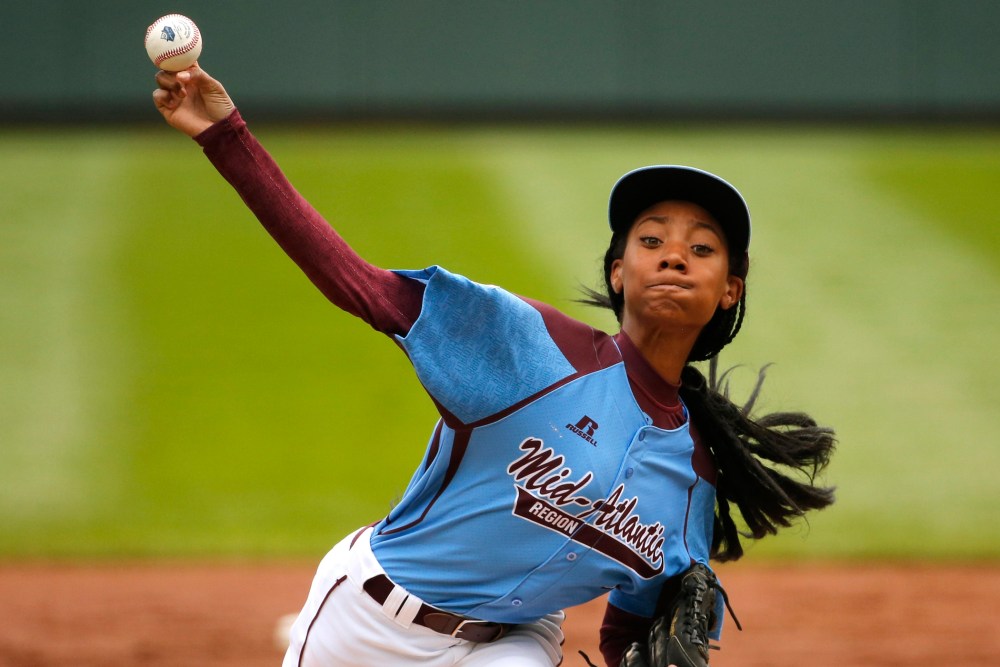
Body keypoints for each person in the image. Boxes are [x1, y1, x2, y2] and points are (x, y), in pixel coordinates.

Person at [152, 65, 835, 667]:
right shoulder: (530, 347)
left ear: (730, 289)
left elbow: (632, 627)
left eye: (702, 248)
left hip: (512, 644)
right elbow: (355, 283)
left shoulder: (690, 479)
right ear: (619, 272)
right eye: (651, 239)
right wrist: (226, 137)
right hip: (364, 622)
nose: (675, 255)